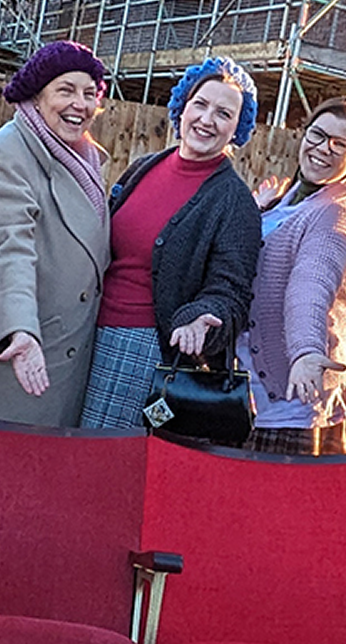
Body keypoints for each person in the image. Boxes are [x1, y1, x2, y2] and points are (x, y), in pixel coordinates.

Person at [80, 57, 261, 431]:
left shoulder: (234, 201)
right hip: (86, 330)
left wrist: (203, 317)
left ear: (237, 129)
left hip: (141, 347)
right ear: (183, 106)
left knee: (102, 465)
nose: (207, 120)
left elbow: (232, 291)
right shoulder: (145, 167)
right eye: (200, 104)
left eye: (224, 114)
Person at [0, 40, 111, 425]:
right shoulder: (7, 154)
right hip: (21, 356)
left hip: (62, 355)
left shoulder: (81, 157)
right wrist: (18, 328)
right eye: (65, 90)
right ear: (37, 96)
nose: (80, 104)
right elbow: (7, 248)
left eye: (90, 94)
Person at [240, 96, 346, 456]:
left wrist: (306, 352)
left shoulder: (336, 215)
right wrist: (258, 209)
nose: (323, 149)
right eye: (317, 135)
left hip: (295, 402)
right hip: (260, 390)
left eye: (339, 144)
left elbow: (310, 287)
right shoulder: (298, 196)